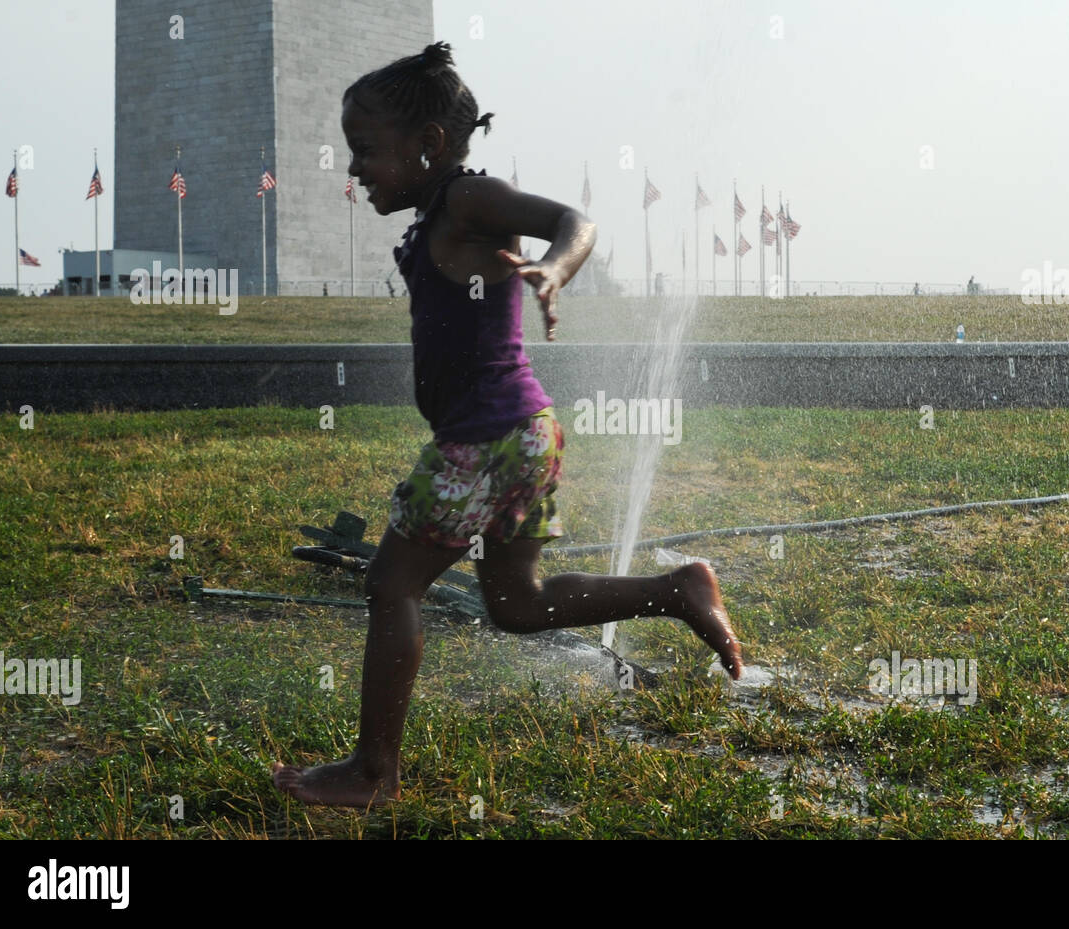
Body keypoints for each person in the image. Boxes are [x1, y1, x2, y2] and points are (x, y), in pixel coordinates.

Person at [272, 42, 742, 808]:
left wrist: (556, 267)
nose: (354, 169)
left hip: (483, 440)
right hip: (524, 433)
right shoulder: (439, 214)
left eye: (365, 151)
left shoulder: (467, 199)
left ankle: (372, 771)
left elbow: (574, 218)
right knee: (516, 604)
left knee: (392, 583)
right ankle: (677, 589)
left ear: (427, 145)